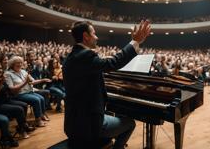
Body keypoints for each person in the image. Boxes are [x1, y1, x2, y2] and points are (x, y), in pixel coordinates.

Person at [63, 20, 151, 149]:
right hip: (88, 126)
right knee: (130, 124)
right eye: (94, 33)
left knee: (114, 117)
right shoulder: (85, 56)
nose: (97, 37)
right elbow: (113, 63)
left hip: (73, 123)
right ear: (86, 36)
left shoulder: (72, 56)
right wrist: (135, 41)